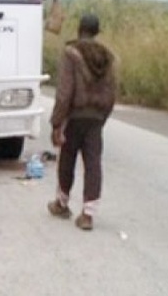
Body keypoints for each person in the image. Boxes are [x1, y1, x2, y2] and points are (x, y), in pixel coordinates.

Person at [48, 14, 116, 231]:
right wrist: (102, 118)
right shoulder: (108, 57)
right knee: (93, 163)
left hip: (75, 115)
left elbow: (65, 92)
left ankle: (62, 203)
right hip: (96, 117)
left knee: (67, 159)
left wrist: (57, 122)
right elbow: (112, 92)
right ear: (97, 31)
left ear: (79, 29)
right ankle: (88, 215)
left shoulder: (71, 53)